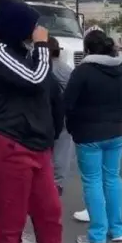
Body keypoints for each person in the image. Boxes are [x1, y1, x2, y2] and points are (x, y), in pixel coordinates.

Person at [0, 0, 67, 243]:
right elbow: (36, 78)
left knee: (50, 215)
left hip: (37, 148)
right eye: (33, 24)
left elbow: (48, 93)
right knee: (10, 223)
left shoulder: (24, 54)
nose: (38, 29)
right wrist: (41, 45)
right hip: (9, 146)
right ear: (19, 27)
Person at [64, 30, 122, 243]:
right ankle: (117, 230)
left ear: (87, 49)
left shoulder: (83, 71)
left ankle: (97, 235)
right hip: (116, 131)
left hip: (88, 134)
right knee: (113, 178)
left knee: (93, 181)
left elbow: (67, 103)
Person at [48, 36, 74, 196]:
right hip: (63, 116)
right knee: (62, 151)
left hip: (41, 116)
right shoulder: (66, 70)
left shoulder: (37, 68)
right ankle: (57, 183)